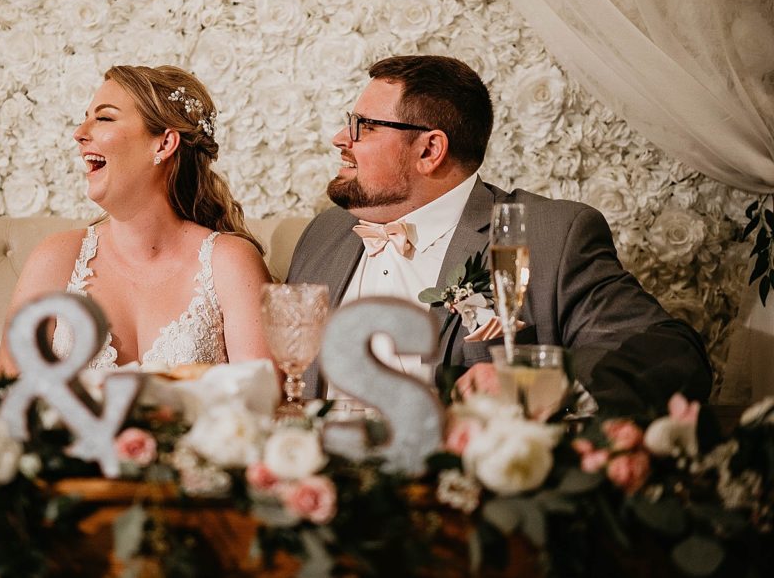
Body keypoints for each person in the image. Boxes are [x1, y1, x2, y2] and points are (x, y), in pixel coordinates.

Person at [286, 55, 712, 414]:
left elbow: (673, 354)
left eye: (365, 126)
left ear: (430, 150)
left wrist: (532, 381)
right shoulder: (325, 233)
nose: (341, 138)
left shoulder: (550, 235)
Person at [0, 65, 272, 375]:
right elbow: (10, 391)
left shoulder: (230, 263)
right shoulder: (56, 258)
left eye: (103, 118)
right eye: (84, 118)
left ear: (164, 144)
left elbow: (263, 397)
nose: (79, 134)